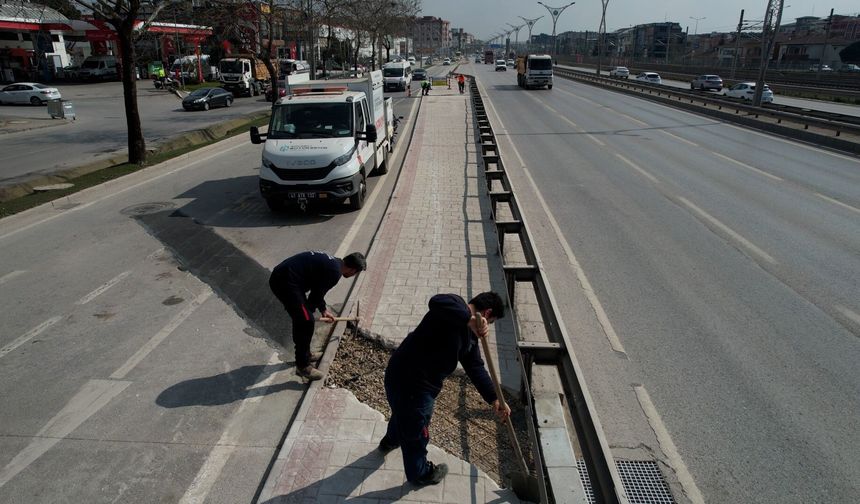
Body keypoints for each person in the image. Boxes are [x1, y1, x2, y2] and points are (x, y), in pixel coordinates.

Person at [379, 292, 510, 486]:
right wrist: (470, 319)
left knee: (402, 413)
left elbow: (475, 367)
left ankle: (390, 440)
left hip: (403, 377)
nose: (486, 326)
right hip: (414, 386)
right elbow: (436, 301)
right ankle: (420, 474)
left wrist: (494, 398)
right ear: (487, 312)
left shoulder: (470, 338)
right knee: (416, 432)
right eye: (490, 322)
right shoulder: (454, 306)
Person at [269, 251, 366, 380]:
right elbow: (315, 296)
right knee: (306, 322)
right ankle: (303, 366)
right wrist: (307, 315)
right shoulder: (335, 273)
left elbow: (317, 289)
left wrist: (323, 309)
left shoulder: (335, 263)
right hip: (285, 282)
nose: (354, 275)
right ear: (353, 270)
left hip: (288, 278)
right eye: (356, 273)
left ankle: (306, 354)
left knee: (304, 320)